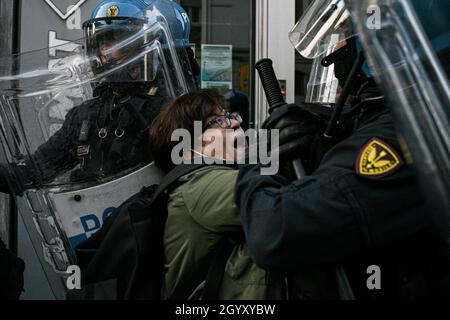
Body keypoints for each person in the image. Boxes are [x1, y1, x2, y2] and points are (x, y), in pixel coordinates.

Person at [235, 0, 450, 300]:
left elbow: (272, 230)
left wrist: (260, 154)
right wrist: (321, 135)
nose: (336, 50)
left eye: (347, 34)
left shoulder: (402, 133)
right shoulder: (422, 109)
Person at [0, 0, 199, 195]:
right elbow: (33, 171)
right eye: (102, 42)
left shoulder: (179, 111)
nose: (105, 53)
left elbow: (194, 184)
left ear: (155, 47)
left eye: (118, 40)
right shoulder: (89, 115)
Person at [149, 89, 285, 300]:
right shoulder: (200, 184)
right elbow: (286, 203)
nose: (234, 123)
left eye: (231, 115)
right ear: (187, 149)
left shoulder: (220, 175)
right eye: (217, 121)